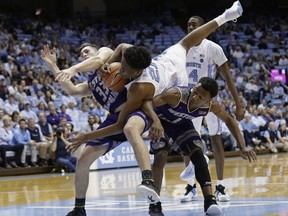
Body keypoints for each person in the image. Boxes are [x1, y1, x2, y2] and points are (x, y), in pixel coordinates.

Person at [63, 1, 244, 215]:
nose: (120, 72)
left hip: (172, 90)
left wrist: (86, 136)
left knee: (133, 128)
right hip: (166, 69)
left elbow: (130, 116)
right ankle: (82, 209)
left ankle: (151, 178)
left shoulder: (139, 88)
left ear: (137, 70)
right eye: (119, 68)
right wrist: (109, 62)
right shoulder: (132, 58)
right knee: (185, 43)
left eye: (124, 70)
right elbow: (122, 48)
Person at [42, 44, 160, 216]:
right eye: (81, 53)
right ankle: (79, 209)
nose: (83, 54)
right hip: (114, 120)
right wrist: (53, 65)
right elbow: (73, 90)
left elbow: (98, 58)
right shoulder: (93, 80)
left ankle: (147, 179)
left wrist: (74, 69)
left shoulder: (106, 55)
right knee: (83, 159)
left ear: (96, 50)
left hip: (137, 111)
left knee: (130, 128)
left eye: (87, 50)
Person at [141, 77, 257, 214]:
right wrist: (154, 121)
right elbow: (147, 104)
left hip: (182, 125)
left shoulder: (211, 106)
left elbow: (229, 120)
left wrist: (242, 146)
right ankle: (155, 206)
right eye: (195, 91)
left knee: (198, 155)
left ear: (209, 100)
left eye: (201, 96)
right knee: (160, 155)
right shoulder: (176, 95)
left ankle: (210, 201)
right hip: (161, 122)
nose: (195, 96)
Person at [179, 15, 245, 203]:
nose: (190, 27)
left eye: (194, 25)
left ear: (203, 27)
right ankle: (190, 186)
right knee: (187, 143)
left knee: (216, 140)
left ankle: (221, 186)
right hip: (190, 100)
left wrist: (238, 104)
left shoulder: (213, 48)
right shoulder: (182, 47)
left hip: (209, 100)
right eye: (188, 24)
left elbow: (227, 78)